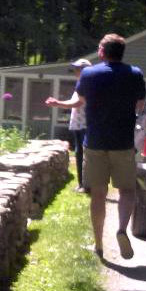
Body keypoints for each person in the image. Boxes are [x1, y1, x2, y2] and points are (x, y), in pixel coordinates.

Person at [46, 34, 145, 260]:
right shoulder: (135, 74)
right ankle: (121, 229)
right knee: (127, 190)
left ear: (102, 52)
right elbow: (139, 106)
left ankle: (99, 244)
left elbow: (78, 102)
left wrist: (57, 103)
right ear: (121, 52)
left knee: (98, 193)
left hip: (96, 142)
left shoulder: (90, 73)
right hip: (123, 143)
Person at [57, 58, 91, 192]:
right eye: (75, 69)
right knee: (79, 153)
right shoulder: (80, 83)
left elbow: (77, 103)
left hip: (85, 125)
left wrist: (57, 103)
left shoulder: (87, 84)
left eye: (78, 69)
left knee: (83, 154)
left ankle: (85, 185)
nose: (75, 71)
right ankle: (81, 184)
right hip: (78, 125)